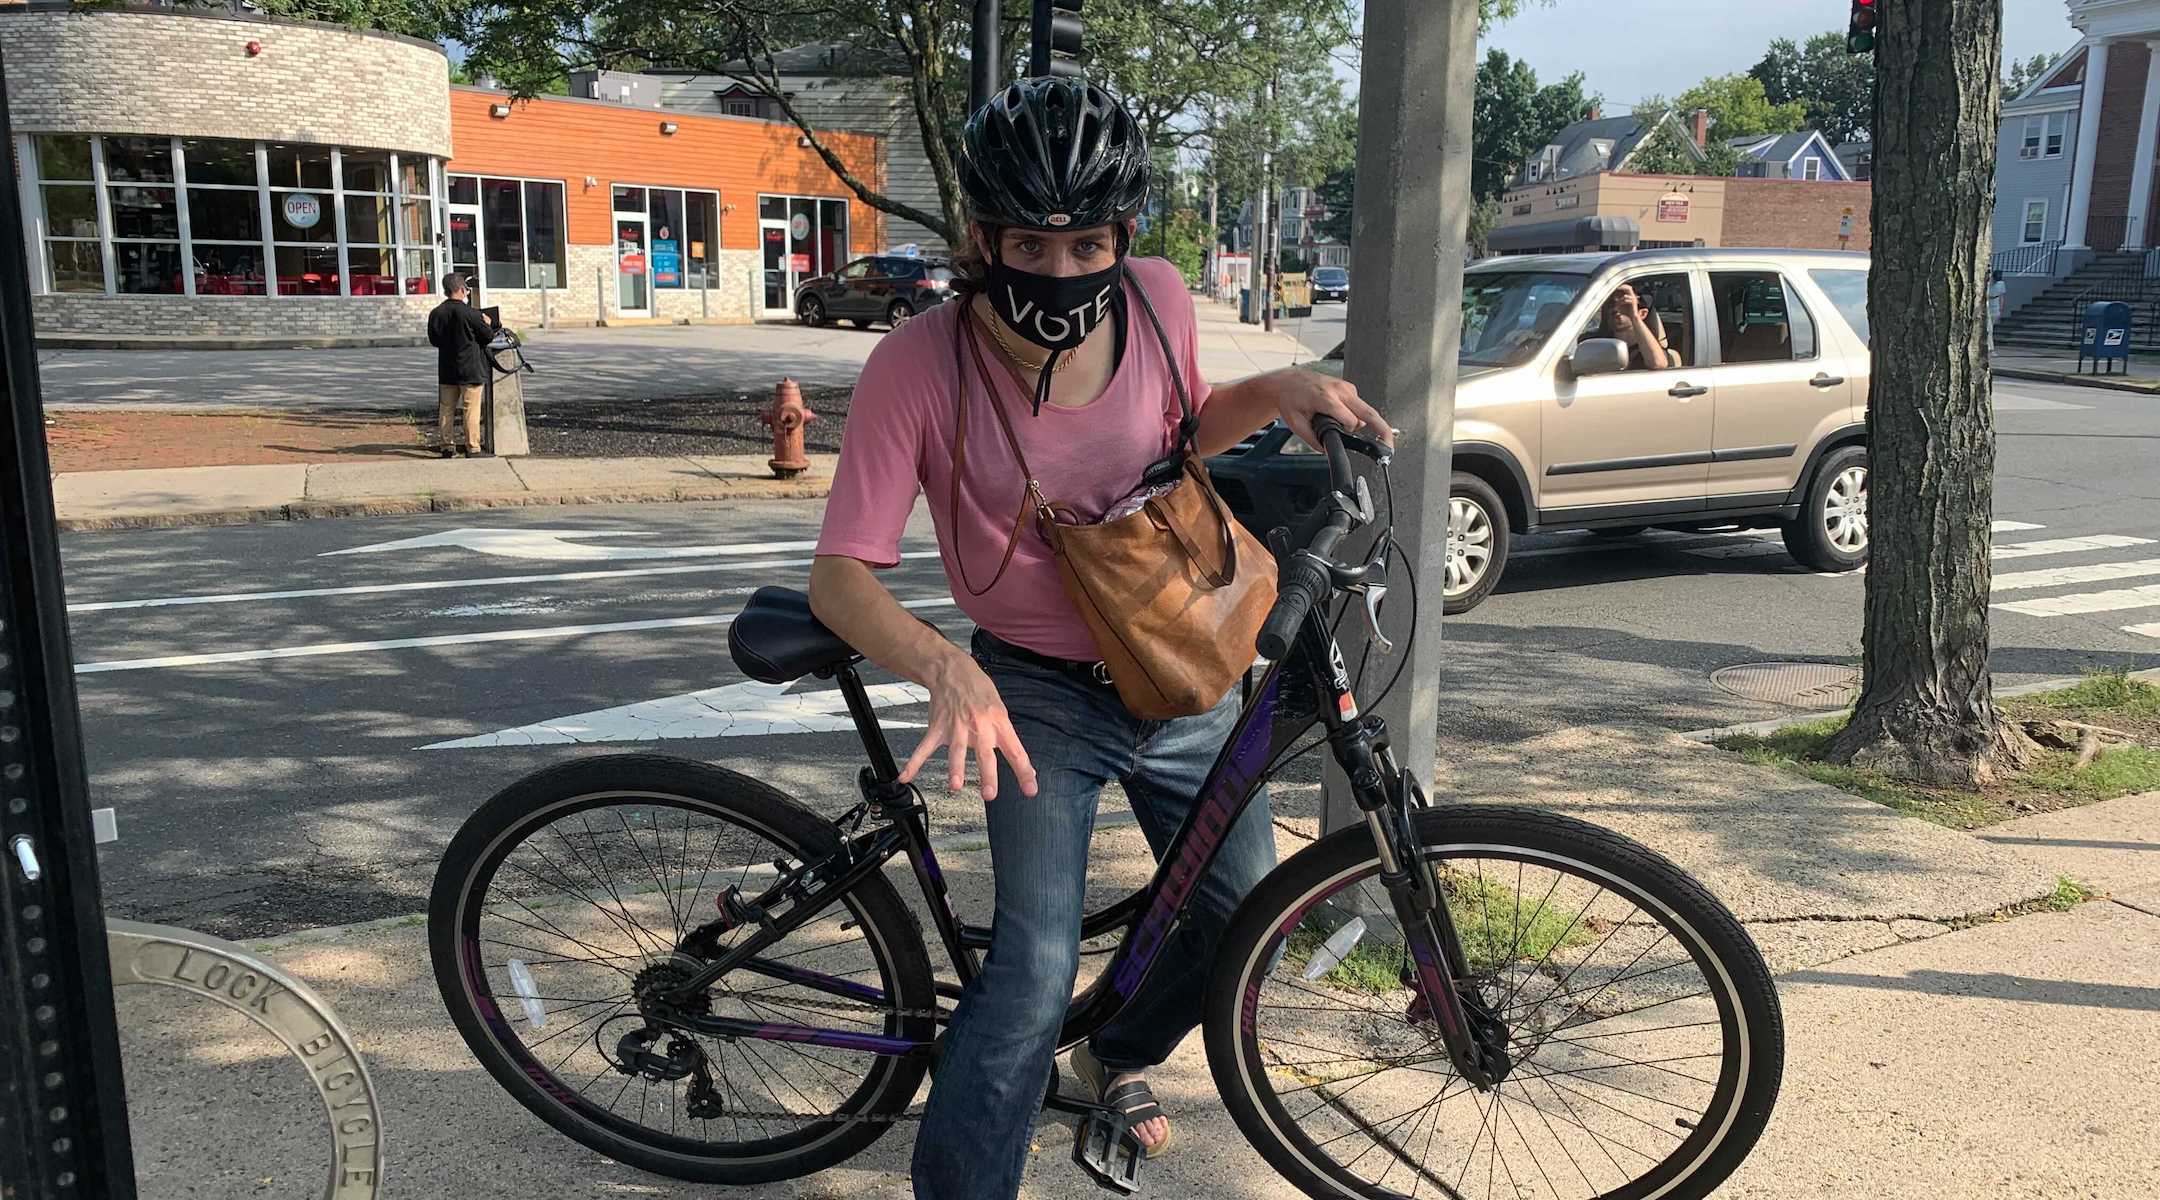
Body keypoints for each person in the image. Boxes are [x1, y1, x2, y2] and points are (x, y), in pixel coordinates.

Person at [806, 79, 1389, 1200]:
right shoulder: (917, 367)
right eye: (1032, 242)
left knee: (1237, 924)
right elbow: (841, 576)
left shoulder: (1160, 297)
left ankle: (1114, 1053)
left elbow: (1178, 427)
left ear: (1125, 237)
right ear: (985, 238)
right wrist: (947, 667)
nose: (1062, 271)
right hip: (1035, 693)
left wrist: (1276, 389)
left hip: (1176, 658)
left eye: (1089, 243)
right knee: (1027, 972)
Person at [427, 272, 495, 457]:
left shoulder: (436, 313)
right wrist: (488, 324)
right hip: (470, 368)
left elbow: (434, 340)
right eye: (466, 288)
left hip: (447, 368)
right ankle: (472, 447)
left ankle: (447, 446)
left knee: (446, 408)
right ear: (461, 290)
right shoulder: (472, 314)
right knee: (471, 408)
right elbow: (487, 337)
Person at [1593, 281, 1673, 370]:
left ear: (1642, 314)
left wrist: (1634, 316)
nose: (1615, 309)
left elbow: (1658, 364)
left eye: (1624, 304)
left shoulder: (1647, 351)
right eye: (1611, 303)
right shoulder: (1596, 345)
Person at [1987, 268, 2008, 355]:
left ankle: (1988, 346)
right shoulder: (1988, 283)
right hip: (1987, 305)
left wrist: (2001, 308)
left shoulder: (2001, 284)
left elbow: (2001, 296)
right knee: (1989, 329)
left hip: (1995, 307)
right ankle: (1991, 349)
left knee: (1990, 328)